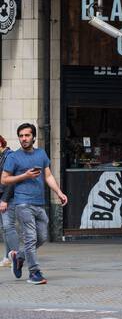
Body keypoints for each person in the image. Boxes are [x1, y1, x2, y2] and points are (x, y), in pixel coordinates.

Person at [1, 121, 68, 285]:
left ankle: (18, 256)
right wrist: (24, 176)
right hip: (22, 203)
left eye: (27, 135)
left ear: (33, 137)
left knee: (42, 237)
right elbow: (4, 179)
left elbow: (48, 176)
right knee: (30, 238)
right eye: (21, 136)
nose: (24, 138)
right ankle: (34, 273)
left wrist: (59, 193)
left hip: (39, 203)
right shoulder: (14, 157)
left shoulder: (41, 154)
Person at [0, 133, 19, 269]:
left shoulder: (9, 156)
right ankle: (7, 257)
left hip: (8, 198)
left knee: (8, 227)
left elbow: (11, 181)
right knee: (4, 228)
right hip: (2, 197)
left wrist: (5, 200)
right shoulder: (2, 157)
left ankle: (17, 257)